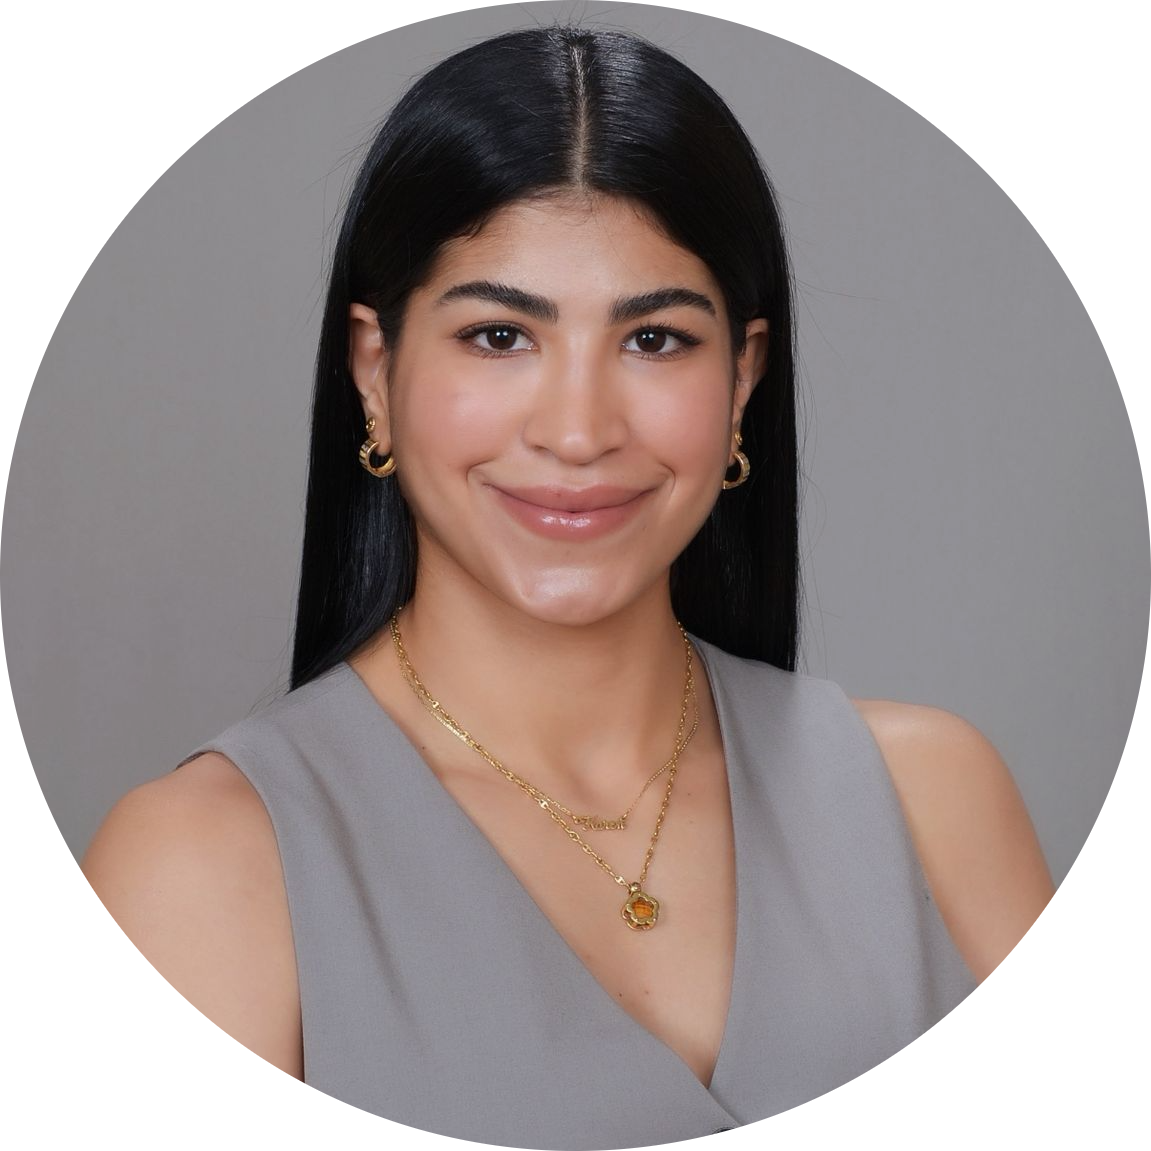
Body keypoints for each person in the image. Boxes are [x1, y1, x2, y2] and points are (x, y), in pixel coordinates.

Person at [81, 26, 1054, 1145]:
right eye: (499, 335)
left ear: (742, 379)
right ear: (374, 371)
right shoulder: (203, 863)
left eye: (655, 340)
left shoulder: (928, 796)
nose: (579, 430)